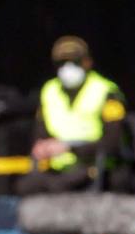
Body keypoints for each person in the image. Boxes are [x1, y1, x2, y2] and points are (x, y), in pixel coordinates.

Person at [16, 36, 126, 195]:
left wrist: (70, 147)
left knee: (62, 186)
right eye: (62, 63)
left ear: (87, 62)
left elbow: (112, 143)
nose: (67, 68)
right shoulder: (49, 90)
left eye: (74, 62)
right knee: (26, 187)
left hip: (93, 167)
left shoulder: (106, 91)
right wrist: (42, 147)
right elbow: (39, 134)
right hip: (56, 170)